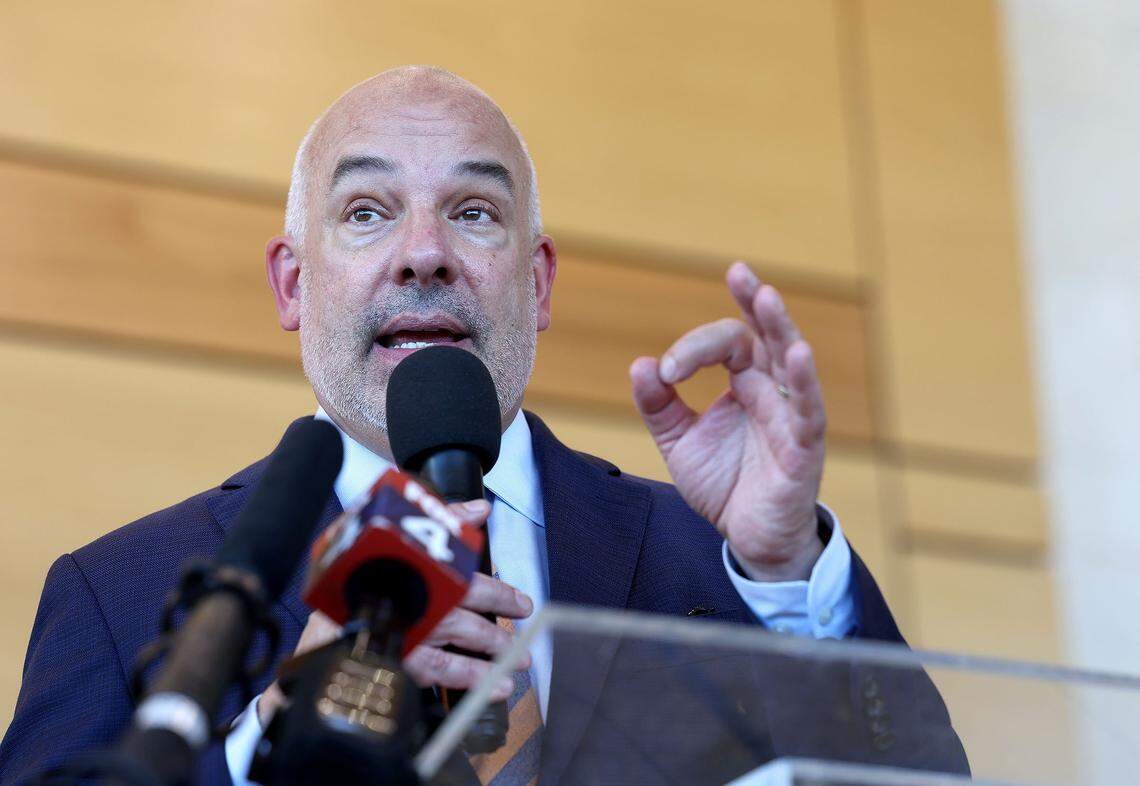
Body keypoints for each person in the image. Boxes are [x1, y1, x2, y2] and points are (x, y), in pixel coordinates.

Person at [0, 66, 966, 785]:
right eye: (369, 211)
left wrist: (787, 565)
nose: (425, 254)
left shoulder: (706, 557)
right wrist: (268, 741)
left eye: (472, 210)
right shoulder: (117, 595)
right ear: (295, 284)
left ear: (536, 282)